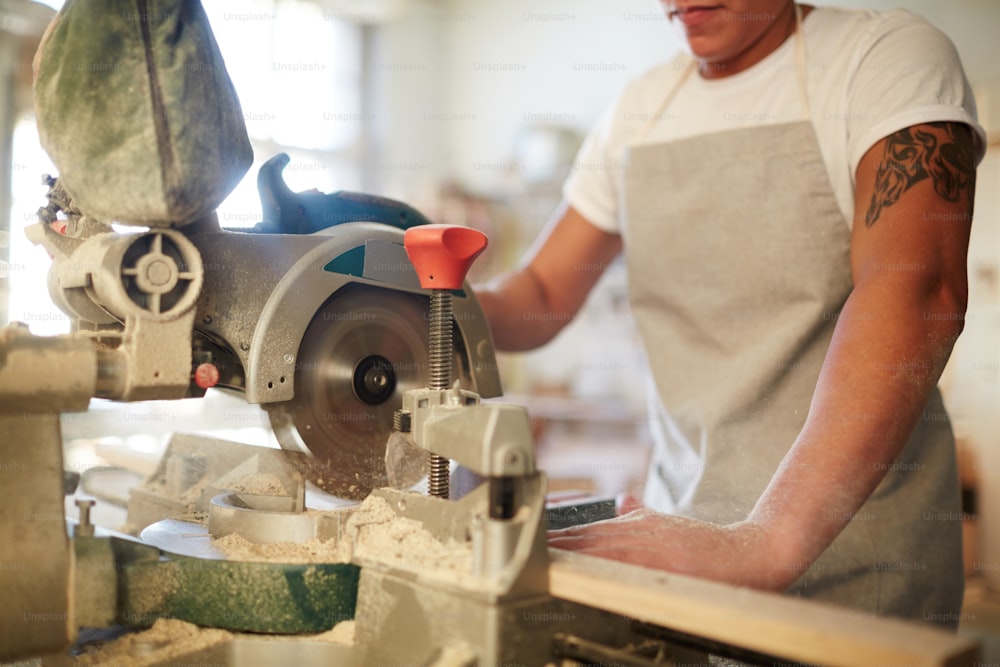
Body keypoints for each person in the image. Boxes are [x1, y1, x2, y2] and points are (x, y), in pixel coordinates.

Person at [475, 0, 985, 627]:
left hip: (855, 572)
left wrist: (767, 542)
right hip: (677, 547)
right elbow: (545, 293)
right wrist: (435, 307)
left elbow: (918, 291)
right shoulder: (641, 108)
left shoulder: (884, 58)